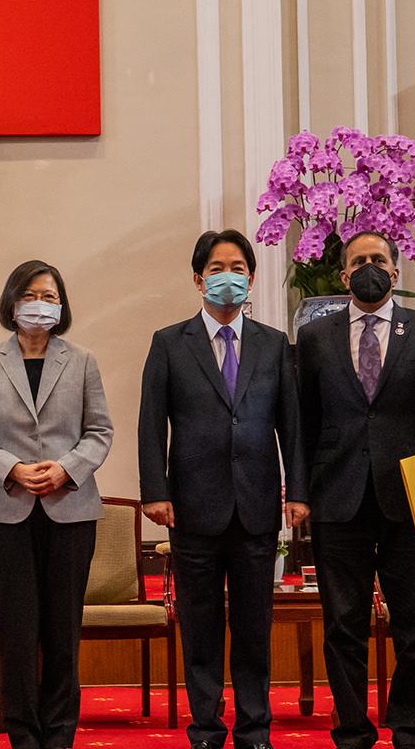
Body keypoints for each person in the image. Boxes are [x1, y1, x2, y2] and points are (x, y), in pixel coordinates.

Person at [138, 229, 309, 749]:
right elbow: (151, 425)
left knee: (255, 629)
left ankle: (255, 729)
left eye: (237, 267)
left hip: (258, 506)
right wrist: (154, 491)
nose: (227, 276)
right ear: (198, 279)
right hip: (192, 506)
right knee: (201, 626)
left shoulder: (274, 344)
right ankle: (206, 729)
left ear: (251, 278)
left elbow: (292, 426)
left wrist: (298, 492)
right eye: (216, 268)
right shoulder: (169, 343)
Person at [296, 231, 415, 749]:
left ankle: (412, 730)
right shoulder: (315, 336)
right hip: (336, 498)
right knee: (342, 625)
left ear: (395, 271)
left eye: (379, 259)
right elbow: (303, 422)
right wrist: (299, 494)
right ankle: (352, 730)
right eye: (358, 261)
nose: (370, 267)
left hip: (413, 500)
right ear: (343, 276)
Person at [0, 260, 113, 749]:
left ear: (61, 305)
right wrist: (12, 468)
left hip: (70, 508)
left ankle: (61, 731)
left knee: (63, 627)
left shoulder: (82, 360)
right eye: (31, 295)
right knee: (18, 627)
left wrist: (66, 468)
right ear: (11, 301)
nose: (40, 305)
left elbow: (99, 432)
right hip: (7, 508)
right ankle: (22, 732)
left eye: (50, 297)